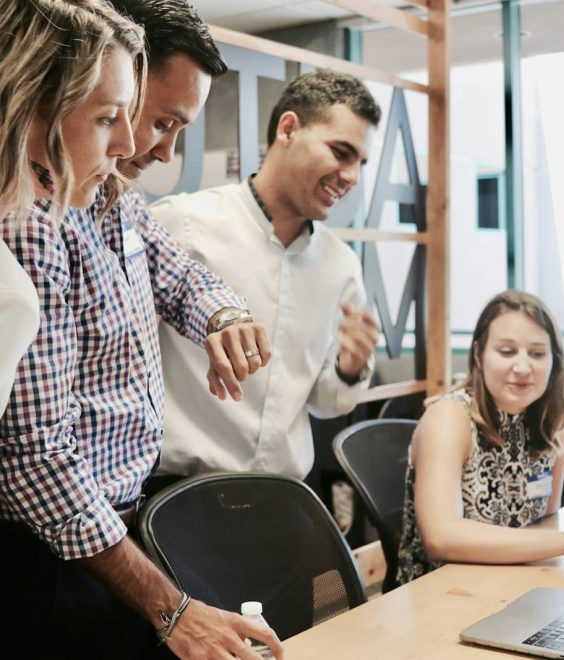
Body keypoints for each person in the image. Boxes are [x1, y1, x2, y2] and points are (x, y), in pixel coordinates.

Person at [0, 1, 282, 659]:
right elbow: (35, 455)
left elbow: (182, 276)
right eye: (130, 117)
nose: (144, 147)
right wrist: (172, 609)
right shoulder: (33, 222)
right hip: (51, 560)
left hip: (112, 535)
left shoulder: (113, 204)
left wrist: (225, 315)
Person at [150, 70, 382, 485]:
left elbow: (326, 401)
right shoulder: (181, 225)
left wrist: (350, 367)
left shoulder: (341, 264)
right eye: (341, 152)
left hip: (283, 496)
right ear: (288, 129)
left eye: (360, 163)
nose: (352, 177)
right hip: (177, 491)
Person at [396, 289, 564, 585]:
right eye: (506, 352)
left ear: (554, 361)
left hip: (512, 582)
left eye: (537, 353)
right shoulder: (450, 417)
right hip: (438, 592)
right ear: (478, 354)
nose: (522, 367)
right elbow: (440, 537)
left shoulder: (554, 426)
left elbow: (542, 526)